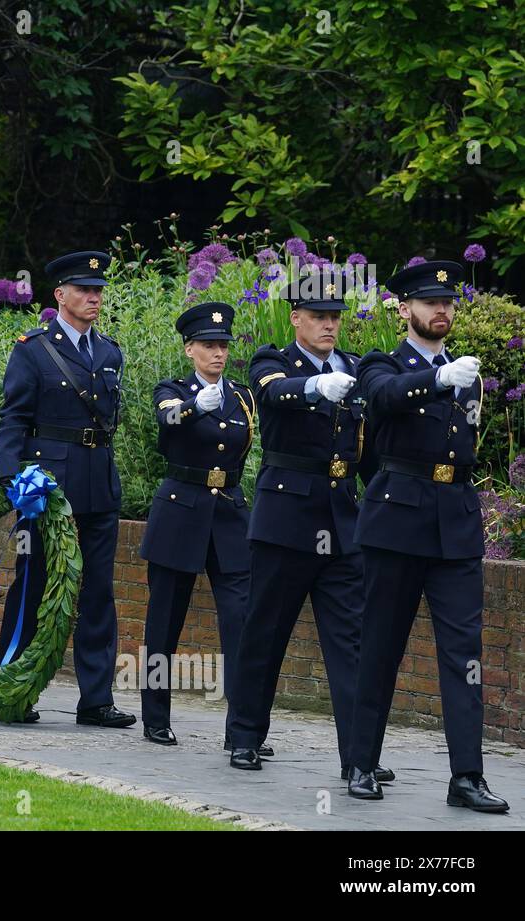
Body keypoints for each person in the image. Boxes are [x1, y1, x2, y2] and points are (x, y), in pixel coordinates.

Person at [345, 259, 507, 812]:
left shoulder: (465, 369)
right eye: (429, 302)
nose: (441, 310)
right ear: (404, 309)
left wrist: (452, 376)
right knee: (381, 647)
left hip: (456, 521)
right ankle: (362, 763)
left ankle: (467, 775)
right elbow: (384, 397)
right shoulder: (381, 363)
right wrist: (437, 380)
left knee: (464, 653)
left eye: (448, 303)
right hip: (397, 520)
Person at [223, 276, 388, 776]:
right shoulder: (274, 362)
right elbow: (273, 394)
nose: (329, 324)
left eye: (335, 316)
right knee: (265, 633)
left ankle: (358, 757)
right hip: (286, 518)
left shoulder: (356, 369)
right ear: (296, 318)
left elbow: (368, 451)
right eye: (319, 316)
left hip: (342, 520)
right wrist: (316, 385)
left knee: (353, 642)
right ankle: (245, 737)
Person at [0, 250, 133, 727]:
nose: (93, 298)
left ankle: (96, 699)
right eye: (83, 291)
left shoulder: (110, 350)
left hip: (97, 483)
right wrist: (13, 479)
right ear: (60, 296)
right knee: (33, 583)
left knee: (97, 592)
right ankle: (14, 687)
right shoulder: (33, 348)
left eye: (97, 291)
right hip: (48, 484)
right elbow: (13, 417)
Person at [138, 302, 252, 744]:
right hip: (180, 511)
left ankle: (243, 728)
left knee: (240, 622)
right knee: (164, 621)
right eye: (208, 345)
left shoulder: (241, 395)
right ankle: (156, 717)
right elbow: (166, 419)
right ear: (189, 349)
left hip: (227, 516)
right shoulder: (172, 389)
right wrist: (192, 407)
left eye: (222, 345)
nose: (217, 354)